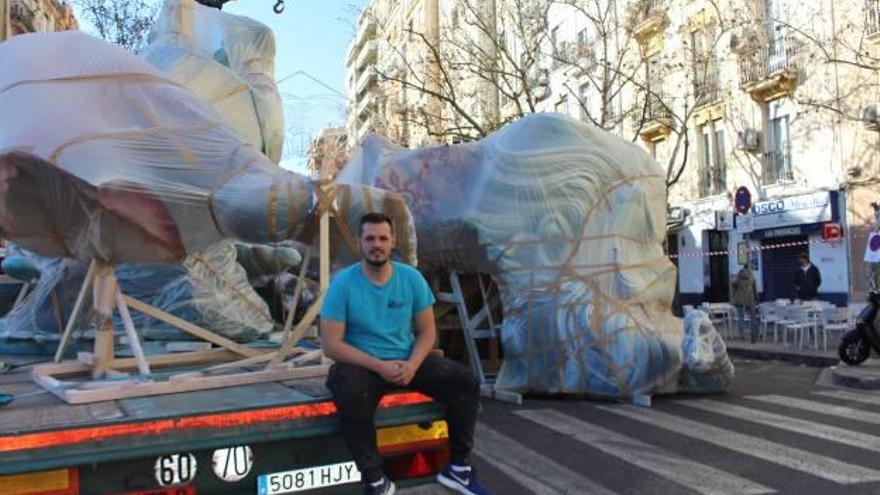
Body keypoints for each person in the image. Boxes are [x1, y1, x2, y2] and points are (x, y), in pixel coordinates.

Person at [320, 212, 492, 495]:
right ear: (360, 243)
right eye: (370, 238)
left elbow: (427, 332)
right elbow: (331, 345)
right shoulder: (343, 284)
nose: (377, 244)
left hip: (406, 361)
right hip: (364, 365)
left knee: (465, 381)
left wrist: (413, 364)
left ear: (393, 242)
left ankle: (459, 469)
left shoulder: (411, 278)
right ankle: (375, 479)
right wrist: (379, 366)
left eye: (383, 238)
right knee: (347, 388)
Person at [730, 265, 758, 342]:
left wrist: (733, 297)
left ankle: (741, 335)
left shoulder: (738, 277)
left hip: (739, 300)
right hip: (750, 299)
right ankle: (753, 334)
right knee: (752, 317)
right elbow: (755, 289)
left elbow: (733, 287)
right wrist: (756, 298)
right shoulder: (752, 277)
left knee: (740, 318)